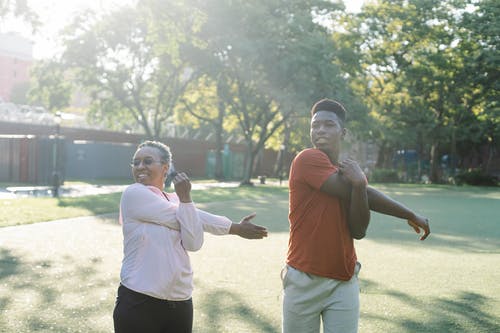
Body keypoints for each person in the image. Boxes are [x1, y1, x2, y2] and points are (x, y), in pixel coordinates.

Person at [282, 99, 430, 333]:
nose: (320, 130)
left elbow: (359, 231)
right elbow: (360, 191)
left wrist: (359, 185)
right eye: (315, 125)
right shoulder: (307, 159)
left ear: (343, 132)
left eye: (328, 125)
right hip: (303, 280)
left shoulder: (347, 174)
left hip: (344, 280)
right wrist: (408, 213)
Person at [113, 140, 268, 333]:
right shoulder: (134, 194)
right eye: (136, 162)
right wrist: (234, 228)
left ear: (165, 168)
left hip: (181, 302)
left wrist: (186, 200)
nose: (140, 167)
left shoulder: (179, 201)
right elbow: (187, 217)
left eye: (147, 161)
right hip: (139, 301)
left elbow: (193, 243)